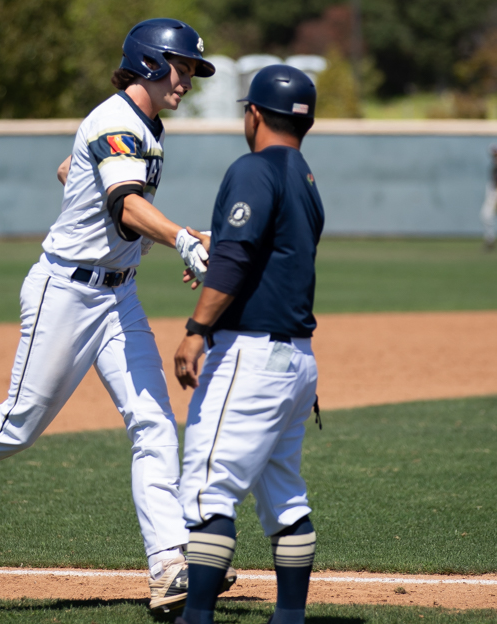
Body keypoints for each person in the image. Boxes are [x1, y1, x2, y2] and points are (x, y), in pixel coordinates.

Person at [0, 18, 231, 614]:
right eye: (182, 66)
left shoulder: (136, 124)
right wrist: (181, 239)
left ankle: (170, 564)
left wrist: (180, 234)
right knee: (18, 425)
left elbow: (82, 178)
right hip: (66, 293)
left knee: (155, 423)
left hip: (118, 297)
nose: (188, 80)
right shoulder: (118, 120)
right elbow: (125, 202)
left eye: (192, 69)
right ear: (148, 61)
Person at [171, 65, 324, 624]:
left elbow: (237, 258)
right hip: (295, 361)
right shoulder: (303, 177)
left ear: (253, 113)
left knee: (209, 489)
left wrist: (196, 329)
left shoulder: (252, 168)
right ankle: (289, 617)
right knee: (283, 496)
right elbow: (262, 252)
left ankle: (198, 616)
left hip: (250, 357)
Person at [482, 145, 497, 252]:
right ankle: (490, 240)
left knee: (486, 215)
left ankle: (490, 240)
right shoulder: (493, 166)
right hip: (492, 191)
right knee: (486, 215)